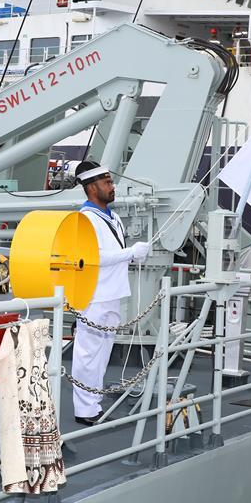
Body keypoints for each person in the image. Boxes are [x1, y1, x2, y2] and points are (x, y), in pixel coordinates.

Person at [71, 160, 150, 425]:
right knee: (88, 355)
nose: (112, 186)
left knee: (101, 354)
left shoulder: (112, 218)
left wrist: (131, 256)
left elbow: (114, 254)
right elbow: (92, 257)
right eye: (107, 182)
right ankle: (84, 410)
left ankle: (93, 404)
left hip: (112, 293)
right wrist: (130, 252)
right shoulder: (85, 218)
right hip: (93, 295)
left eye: (111, 181)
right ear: (91, 187)